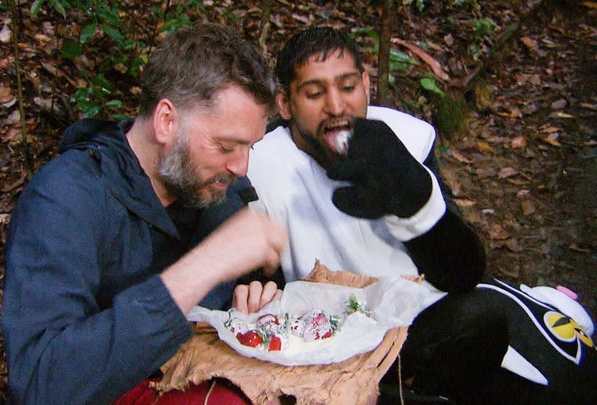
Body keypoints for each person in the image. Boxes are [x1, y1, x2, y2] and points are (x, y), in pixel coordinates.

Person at [246, 26, 597, 404]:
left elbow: (461, 272)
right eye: (314, 94)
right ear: (284, 103)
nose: (336, 106)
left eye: (348, 87)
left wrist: (414, 198)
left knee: (493, 326)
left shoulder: (404, 138)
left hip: (424, 325)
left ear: (366, 84)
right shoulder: (258, 166)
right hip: (332, 347)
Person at [0, 23, 288, 404]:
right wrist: (205, 266)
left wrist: (252, 297)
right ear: (167, 121)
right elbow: (42, 384)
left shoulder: (213, 185)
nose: (241, 166)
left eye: (249, 146)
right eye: (225, 146)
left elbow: (241, 298)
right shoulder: (65, 198)